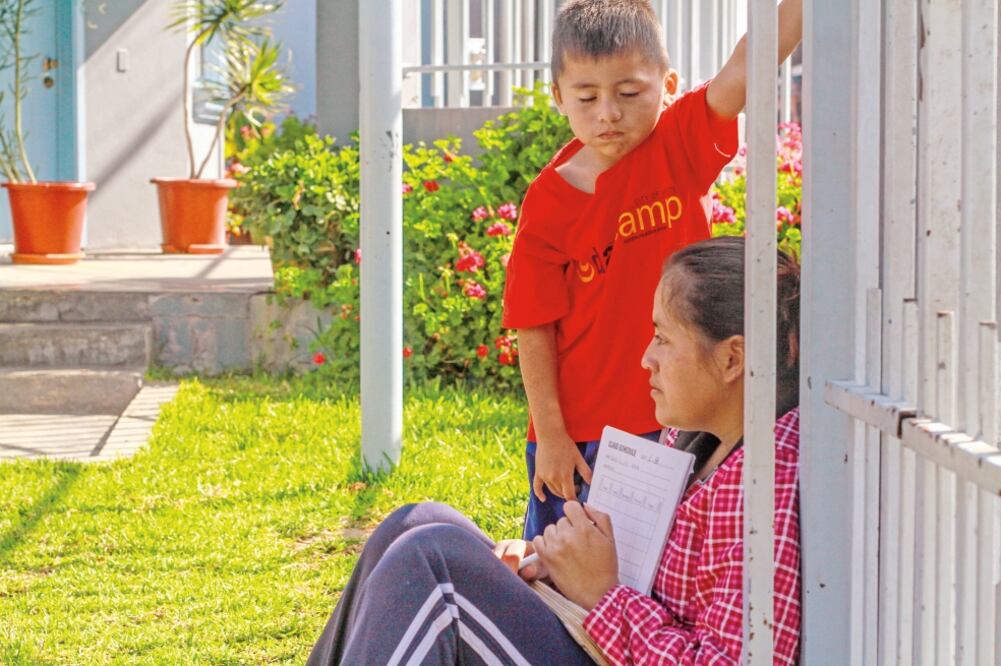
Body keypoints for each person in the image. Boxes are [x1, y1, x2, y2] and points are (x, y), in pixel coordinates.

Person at [307, 237, 802, 665]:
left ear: (732, 358)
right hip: (602, 633)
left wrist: (603, 596)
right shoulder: (697, 438)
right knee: (414, 523)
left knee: (431, 562)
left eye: (662, 338)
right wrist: (554, 564)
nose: (646, 358)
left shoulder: (767, 487)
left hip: (611, 637)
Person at [502, 0, 803, 541]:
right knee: (567, 575)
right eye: (587, 97)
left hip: (690, 417)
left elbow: (747, 62)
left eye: (630, 93)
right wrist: (550, 434)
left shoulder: (679, 142)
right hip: (584, 438)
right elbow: (533, 323)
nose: (608, 114)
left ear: (668, 85)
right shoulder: (548, 202)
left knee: (666, 567)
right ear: (558, 97)